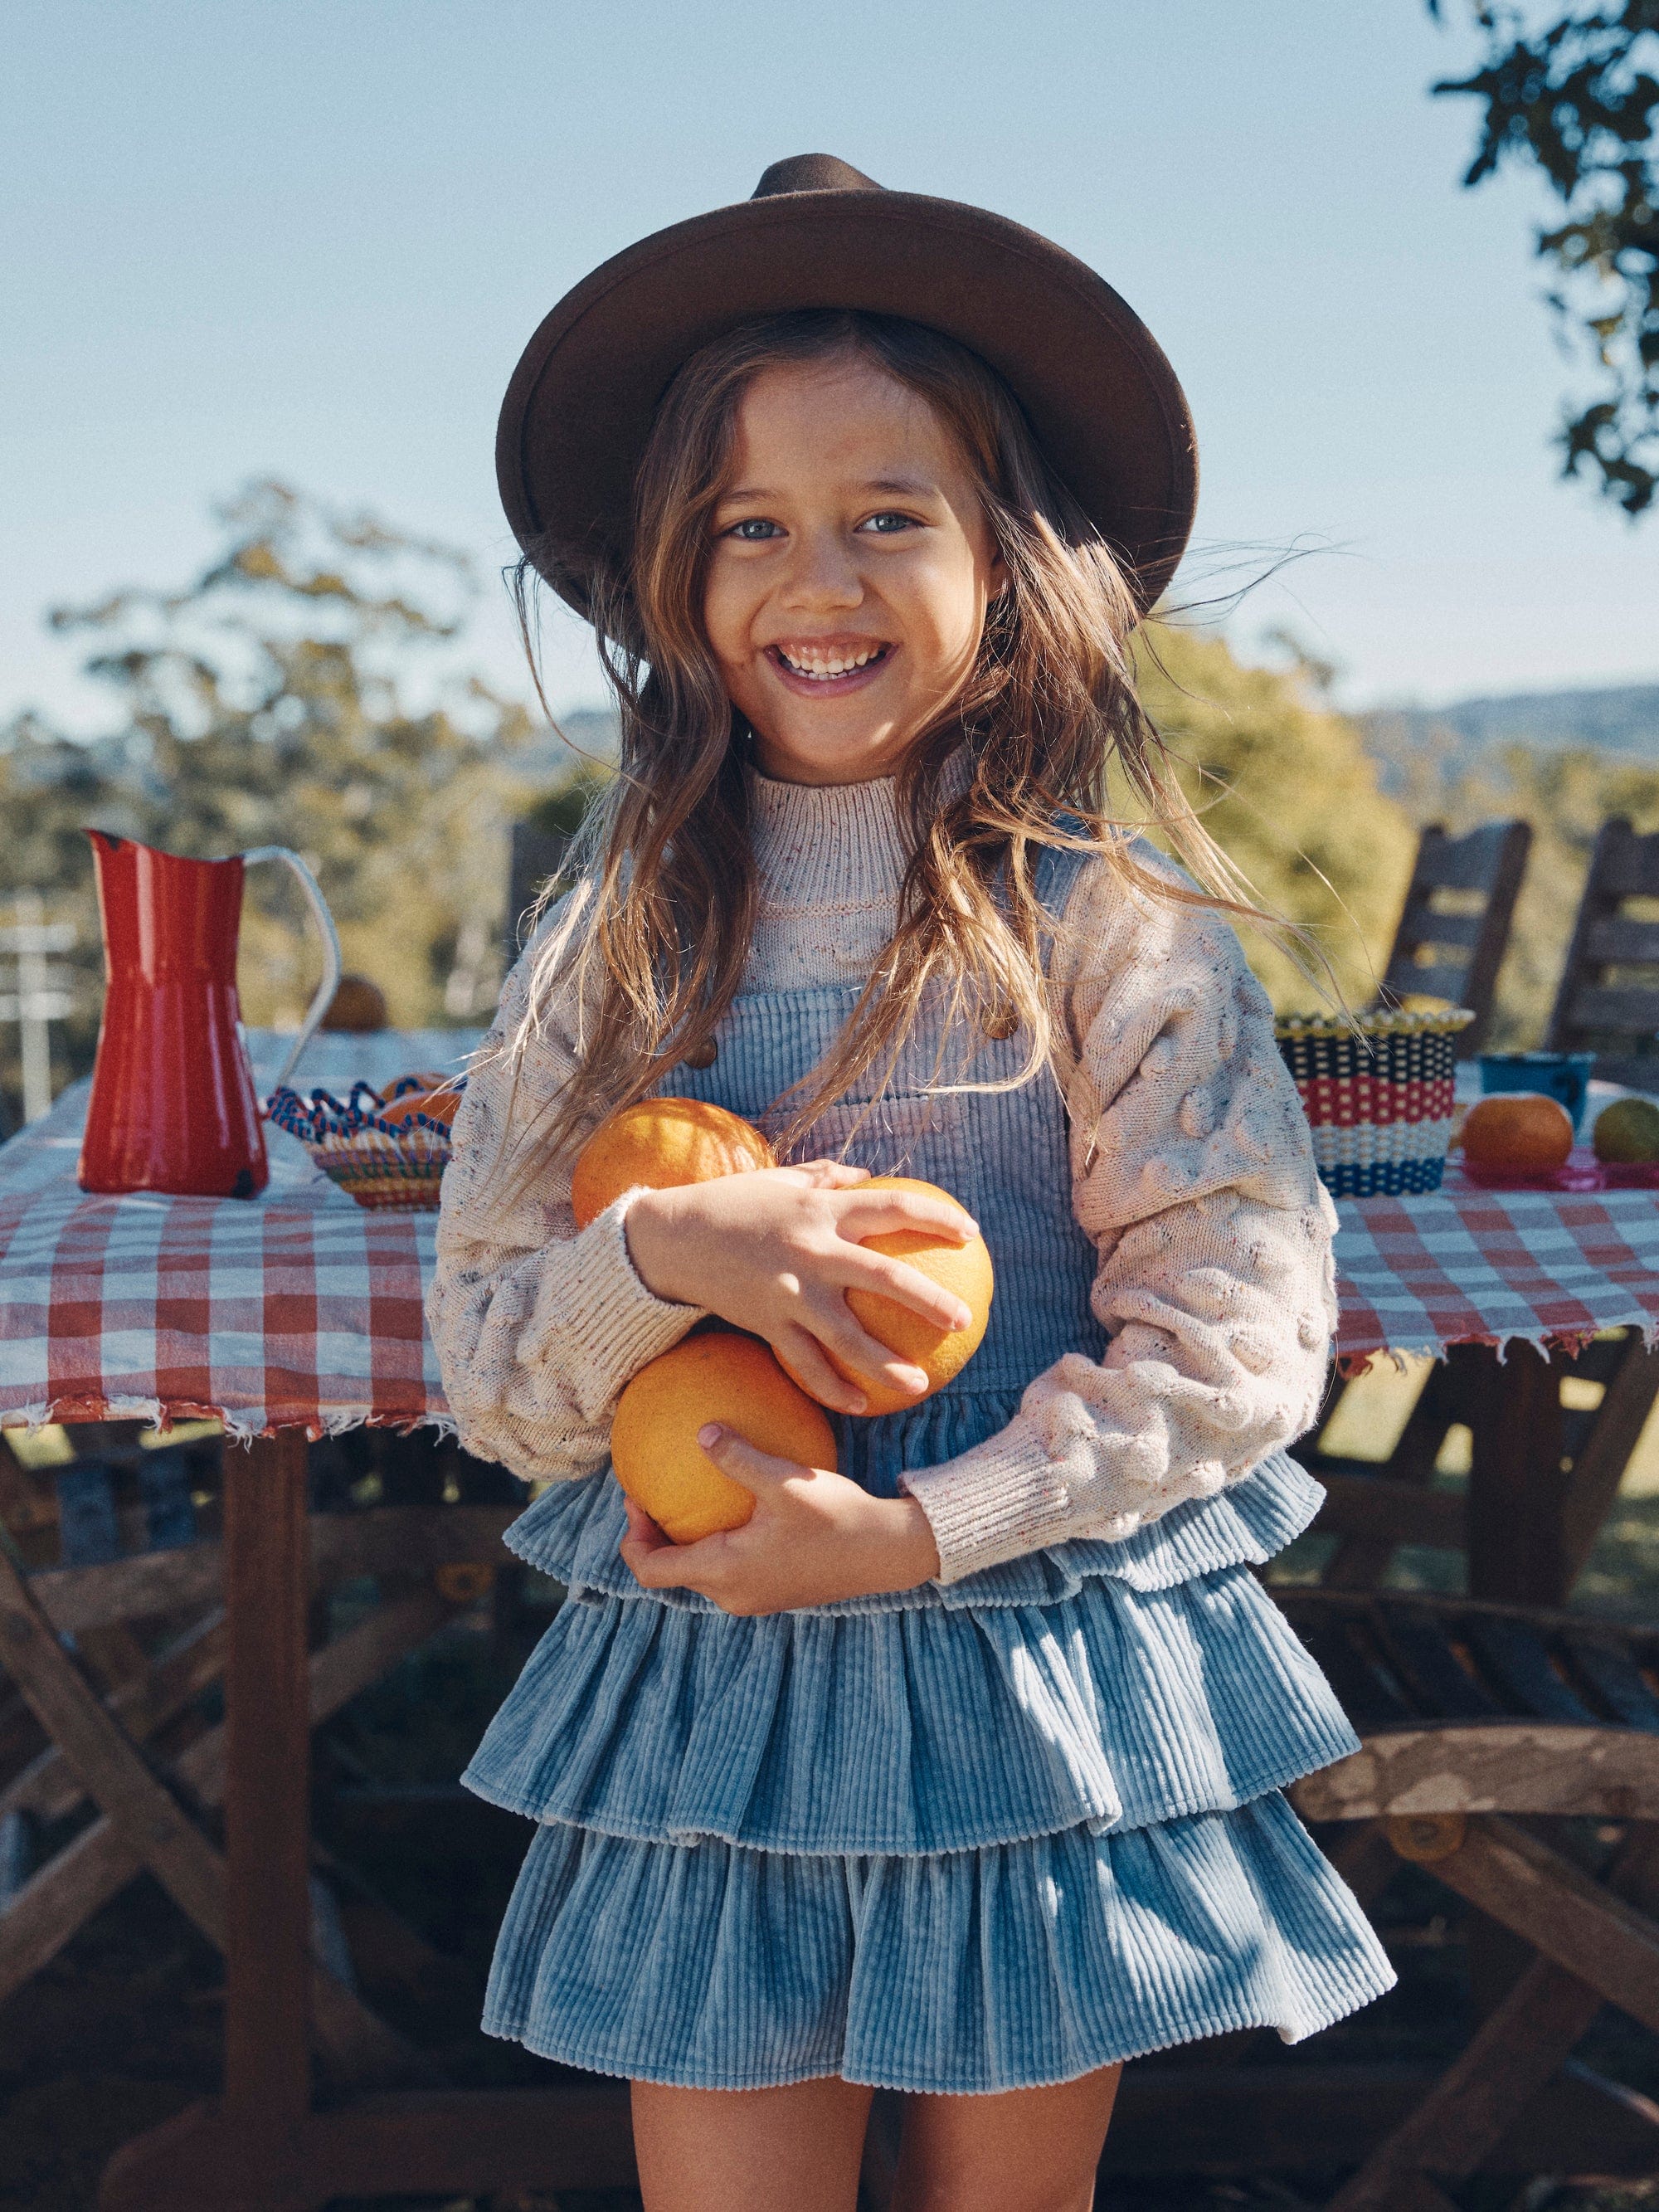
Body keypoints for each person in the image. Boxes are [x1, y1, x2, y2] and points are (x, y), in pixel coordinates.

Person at [430, 153, 1393, 2212]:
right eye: (752, 525)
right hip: (718, 1702)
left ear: (1007, 561)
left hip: (1019, 1668)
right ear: (677, 579)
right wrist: (658, 1251)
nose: (821, 579)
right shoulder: (613, 940)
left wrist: (931, 1527)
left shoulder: (1106, 926)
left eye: (891, 517)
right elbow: (500, 1378)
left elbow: (1238, 1338)